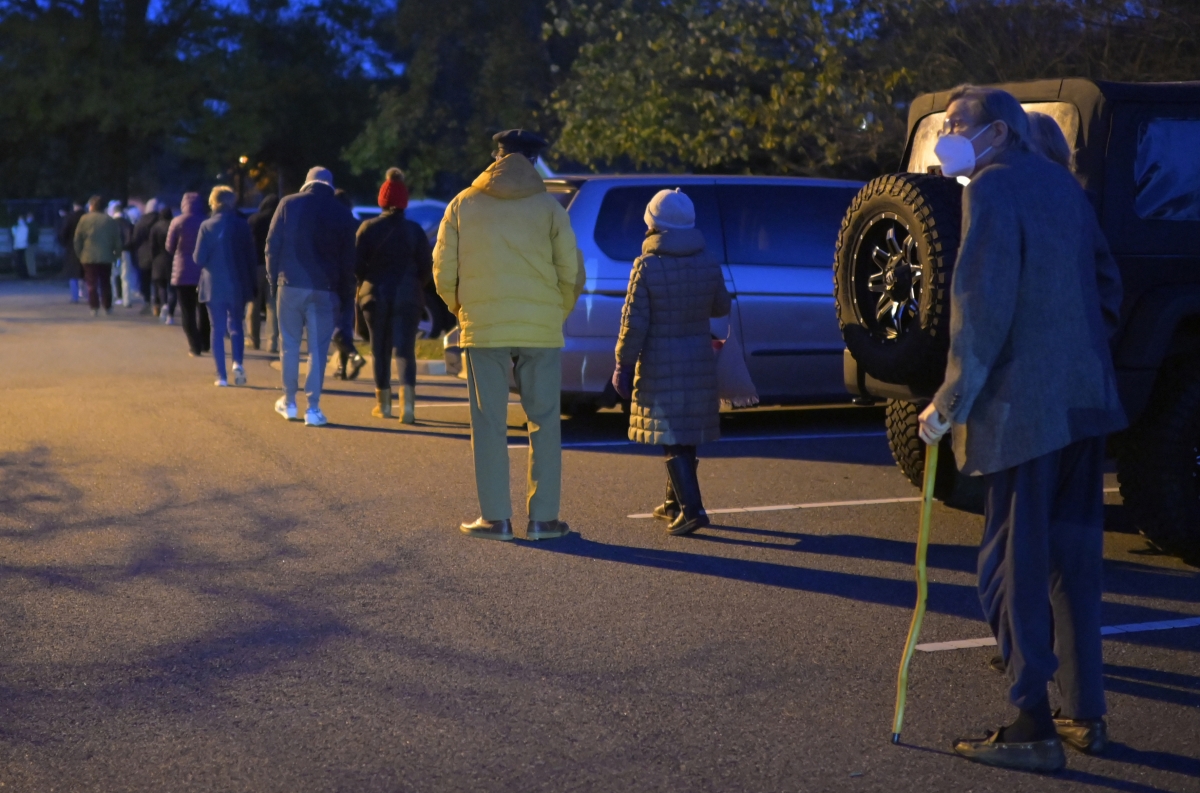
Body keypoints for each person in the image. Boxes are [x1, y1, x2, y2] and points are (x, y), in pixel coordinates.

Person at [918, 86, 1126, 773]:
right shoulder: (1066, 189)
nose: (947, 135)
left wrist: (948, 403)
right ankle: (1084, 713)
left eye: (957, 124)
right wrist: (1078, 353)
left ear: (1000, 133)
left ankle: (1031, 720)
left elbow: (980, 310)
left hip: (1023, 412)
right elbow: (1107, 286)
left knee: (1009, 566)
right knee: (1073, 565)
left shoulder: (994, 190)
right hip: (1083, 403)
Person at [434, 129, 582, 541]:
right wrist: (556, 313)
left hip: (484, 327)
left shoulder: (463, 203)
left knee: (488, 423)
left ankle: (496, 519)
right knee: (545, 421)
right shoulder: (550, 208)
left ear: (495, 158)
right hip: (540, 328)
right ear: (533, 162)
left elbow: (443, 272)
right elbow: (570, 272)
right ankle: (543, 520)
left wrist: (463, 310)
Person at [611, 189, 731, 536]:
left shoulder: (646, 265)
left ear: (653, 224)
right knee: (686, 431)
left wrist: (623, 364)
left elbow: (633, 322)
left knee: (669, 434)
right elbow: (720, 306)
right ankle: (673, 503)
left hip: (659, 361)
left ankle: (692, 509)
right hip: (697, 356)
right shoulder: (708, 260)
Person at [266, 166, 357, 427]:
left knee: (290, 345)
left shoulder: (287, 204)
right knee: (318, 350)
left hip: (290, 285)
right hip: (326, 289)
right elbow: (348, 259)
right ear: (330, 184)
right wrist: (344, 293)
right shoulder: (341, 211)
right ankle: (314, 409)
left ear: (307, 183)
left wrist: (274, 282)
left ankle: (289, 402)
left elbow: (271, 246)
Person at [356, 168, 432, 423]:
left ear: (382, 199)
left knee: (379, 349)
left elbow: (356, 266)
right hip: (408, 294)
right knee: (405, 349)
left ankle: (384, 405)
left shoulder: (367, 228)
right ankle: (408, 407)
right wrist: (414, 286)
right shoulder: (415, 231)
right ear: (403, 201)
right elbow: (426, 267)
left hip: (375, 295)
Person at [194, 186, 256, 387]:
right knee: (236, 325)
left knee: (217, 328)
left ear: (213, 202)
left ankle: (221, 375)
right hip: (237, 284)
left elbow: (198, 258)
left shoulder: (206, 226)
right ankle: (238, 363)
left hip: (213, 285)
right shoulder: (242, 225)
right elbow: (250, 257)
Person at [167, 193, 212, 354]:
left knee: (187, 311)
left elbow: (170, 247)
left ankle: (194, 346)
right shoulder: (207, 221)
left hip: (183, 271)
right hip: (204, 272)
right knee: (204, 310)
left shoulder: (178, 221)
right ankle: (205, 342)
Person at [330, 188, 368, 381]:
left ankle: (353, 355)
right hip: (353, 279)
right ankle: (342, 368)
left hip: (333, 279)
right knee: (344, 324)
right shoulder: (357, 225)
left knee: (331, 324)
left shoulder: (331, 226)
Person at [73, 195, 123, 315]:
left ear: (91, 206)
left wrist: (80, 254)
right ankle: (107, 306)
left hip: (88, 256)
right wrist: (116, 255)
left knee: (91, 283)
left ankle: (94, 307)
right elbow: (117, 240)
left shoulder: (84, 219)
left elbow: (77, 239)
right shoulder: (109, 220)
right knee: (106, 283)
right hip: (106, 257)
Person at [246, 194, 280, 352]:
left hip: (256, 264)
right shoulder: (283, 220)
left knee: (254, 302)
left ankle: (254, 339)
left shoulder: (254, 220)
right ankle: (272, 343)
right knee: (273, 305)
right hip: (276, 267)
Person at [130, 198, 161, 314]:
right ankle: (158, 304)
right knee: (158, 282)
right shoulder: (160, 221)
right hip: (158, 255)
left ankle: (147, 302)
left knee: (145, 282)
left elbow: (135, 239)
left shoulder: (141, 222)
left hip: (143, 256)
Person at [150, 207, 175, 321]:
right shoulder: (174, 225)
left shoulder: (156, 227)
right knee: (173, 288)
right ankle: (170, 313)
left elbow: (152, 246)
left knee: (161, 286)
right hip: (173, 259)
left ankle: (164, 304)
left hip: (159, 259)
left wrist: (153, 258)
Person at [59, 202, 86, 302]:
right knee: (86, 273)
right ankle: (88, 295)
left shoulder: (70, 218)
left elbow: (63, 233)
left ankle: (75, 297)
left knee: (73, 274)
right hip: (86, 248)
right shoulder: (87, 217)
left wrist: (65, 244)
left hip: (72, 248)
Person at [11, 213, 30, 279]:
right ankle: (22, 274)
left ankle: (23, 274)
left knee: (20, 260)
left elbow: (17, 235)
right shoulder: (20, 226)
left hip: (20, 246)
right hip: (20, 245)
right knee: (20, 260)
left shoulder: (23, 226)